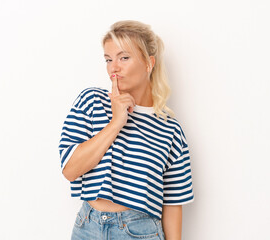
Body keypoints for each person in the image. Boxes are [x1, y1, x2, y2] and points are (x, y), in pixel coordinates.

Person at [58, 20, 194, 240]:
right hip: (87, 227)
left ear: (149, 63)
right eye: (108, 59)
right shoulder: (91, 101)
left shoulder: (170, 129)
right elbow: (70, 170)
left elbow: (173, 203)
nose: (114, 67)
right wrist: (116, 123)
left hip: (139, 232)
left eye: (124, 58)